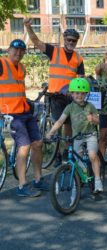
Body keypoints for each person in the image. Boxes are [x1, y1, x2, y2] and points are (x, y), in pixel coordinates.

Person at [24, 18, 84, 164]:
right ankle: (56, 154)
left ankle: (66, 152)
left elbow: (81, 78)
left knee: (69, 126)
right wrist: (28, 26)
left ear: (76, 42)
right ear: (64, 39)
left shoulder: (78, 58)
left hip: (71, 97)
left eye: (74, 41)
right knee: (57, 125)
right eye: (69, 40)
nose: (71, 43)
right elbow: (36, 42)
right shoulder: (54, 51)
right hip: (56, 96)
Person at [0, 39, 48, 197]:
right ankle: (22, 185)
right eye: (15, 49)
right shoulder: (1, 64)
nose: (18, 53)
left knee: (38, 143)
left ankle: (38, 179)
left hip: (24, 111)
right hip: (10, 114)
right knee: (24, 146)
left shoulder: (22, 67)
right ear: (8, 50)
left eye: (22, 51)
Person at [46, 78, 103, 193]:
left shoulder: (90, 106)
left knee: (92, 155)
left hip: (90, 135)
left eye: (82, 93)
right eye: (76, 93)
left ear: (86, 94)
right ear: (71, 94)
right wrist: (50, 132)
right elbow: (60, 121)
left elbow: (99, 120)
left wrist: (93, 119)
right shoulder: (70, 107)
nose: (79, 96)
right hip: (77, 137)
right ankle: (84, 175)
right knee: (77, 160)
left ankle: (97, 181)